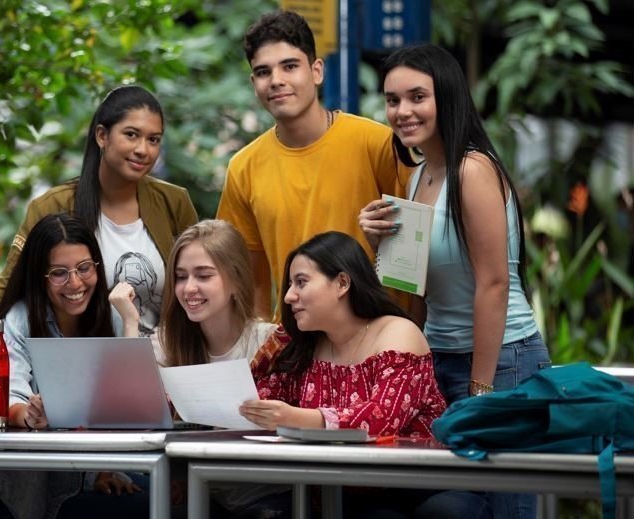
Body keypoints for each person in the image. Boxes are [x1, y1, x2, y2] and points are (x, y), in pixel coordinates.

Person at [0, 85, 198, 422]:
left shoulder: (174, 202)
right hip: (93, 391)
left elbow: (197, 287)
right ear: (102, 136)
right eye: (132, 135)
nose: (143, 149)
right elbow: (5, 294)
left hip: (169, 379)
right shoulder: (54, 207)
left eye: (154, 139)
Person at [358, 43, 550, 519]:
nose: (402, 111)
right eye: (392, 100)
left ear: (447, 96)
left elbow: (493, 284)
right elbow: (417, 286)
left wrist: (481, 393)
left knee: (504, 507)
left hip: (501, 362)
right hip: (441, 359)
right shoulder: (420, 174)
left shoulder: (473, 169)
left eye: (416, 96)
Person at [241, 231, 489, 519]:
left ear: (343, 283)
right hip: (347, 493)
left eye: (301, 282)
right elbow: (261, 399)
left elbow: (380, 420)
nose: (288, 296)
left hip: (425, 486)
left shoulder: (397, 332)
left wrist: (293, 418)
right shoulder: (300, 343)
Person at [216, 10, 410, 320]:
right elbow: (250, 281)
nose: (277, 80)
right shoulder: (244, 168)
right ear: (254, 83)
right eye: (264, 72)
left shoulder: (376, 143)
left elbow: (412, 251)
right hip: (295, 342)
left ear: (316, 71)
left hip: (375, 336)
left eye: (290, 66)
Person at [110, 219, 292, 519]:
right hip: (201, 497)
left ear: (235, 280)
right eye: (181, 277)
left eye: (204, 275)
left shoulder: (271, 342)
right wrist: (130, 321)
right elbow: (130, 406)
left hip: (270, 498)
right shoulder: (171, 340)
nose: (189, 288)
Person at [0, 213, 148, 519]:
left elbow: (132, 409)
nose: (75, 282)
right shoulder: (19, 320)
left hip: (93, 473)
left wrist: (131, 321)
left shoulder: (114, 316)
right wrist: (30, 414)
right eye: (59, 273)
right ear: (40, 277)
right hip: (22, 486)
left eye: (83, 268)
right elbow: (6, 402)